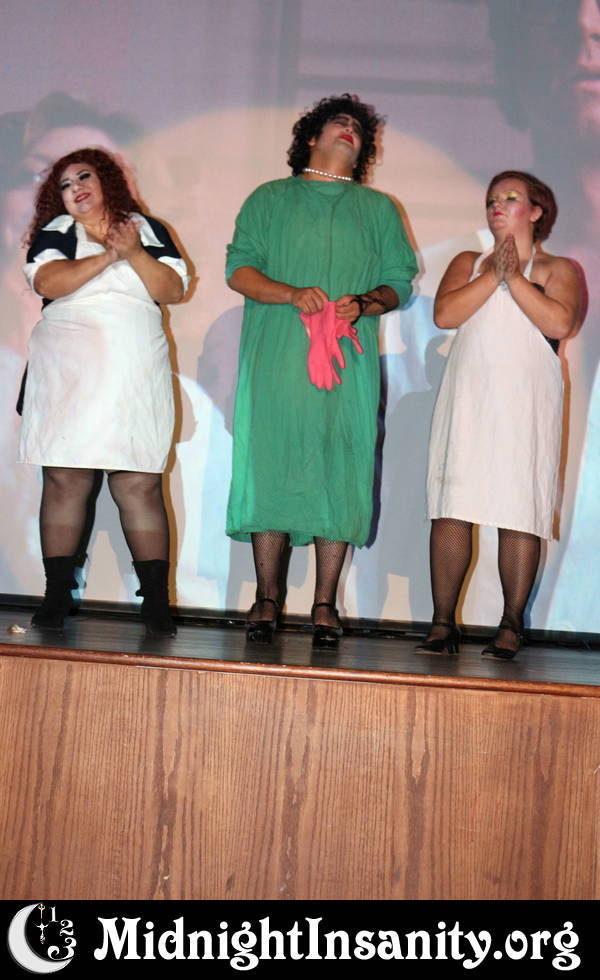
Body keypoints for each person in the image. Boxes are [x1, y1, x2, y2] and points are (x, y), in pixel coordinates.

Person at [225, 93, 417, 644]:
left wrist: (365, 302)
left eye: (358, 127)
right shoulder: (269, 198)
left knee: (341, 467)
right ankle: (266, 598)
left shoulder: (378, 209)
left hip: (347, 363)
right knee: (273, 462)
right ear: (311, 137)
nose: (349, 129)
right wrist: (290, 293)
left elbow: (398, 282)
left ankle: (325, 603)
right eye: (338, 121)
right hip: (278, 357)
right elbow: (239, 270)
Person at [19, 147, 189, 635]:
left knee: (137, 481)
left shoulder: (146, 229)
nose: (75, 189)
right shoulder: (56, 232)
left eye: (84, 177)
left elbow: (172, 289)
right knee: (64, 478)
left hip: (133, 369)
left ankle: (156, 603)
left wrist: (133, 251)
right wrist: (110, 256)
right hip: (69, 370)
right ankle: (56, 596)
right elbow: (48, 281)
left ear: (107, 180)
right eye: (65, 185)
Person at [417, 171, 581, 660]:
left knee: (518, 509)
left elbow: (559, 321)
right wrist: (493, 274)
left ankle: (510, 625)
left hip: (525, 405)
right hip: (469, 400)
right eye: (492, 199)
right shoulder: (468, 262)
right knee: (453, 506)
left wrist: (515, 278)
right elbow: (445, 315)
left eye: (511, 197)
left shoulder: (558, 268)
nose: (497, 205)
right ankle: (442, 623)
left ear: (536, 211)